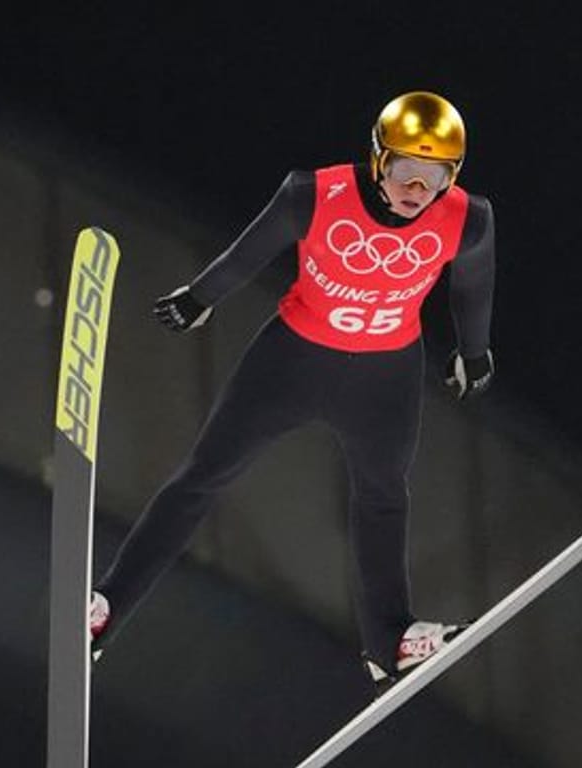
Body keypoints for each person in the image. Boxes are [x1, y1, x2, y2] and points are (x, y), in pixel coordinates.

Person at [90, 91, 497, 693]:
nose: (417, 189)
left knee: (383, 497)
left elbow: (472, 283)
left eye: (434, 176)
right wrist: (201, 298)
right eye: (406, 171)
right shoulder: (313, 194)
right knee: (204, 475)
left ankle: (390, 643)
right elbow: (250, 250)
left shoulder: (469, 218)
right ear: (379, 159)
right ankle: (106, 609)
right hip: (292, 361)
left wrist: (473, 351)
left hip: (386, 376)